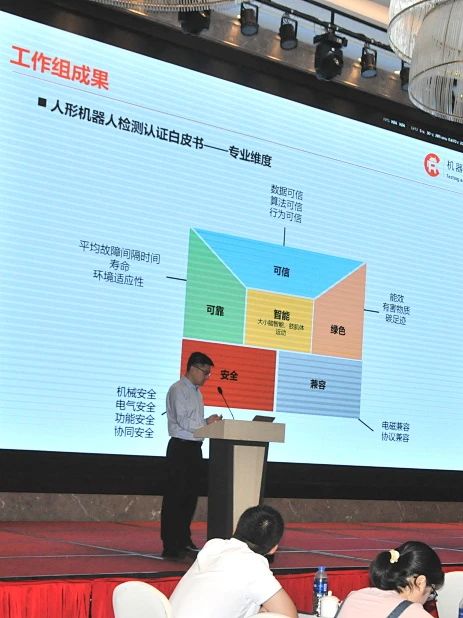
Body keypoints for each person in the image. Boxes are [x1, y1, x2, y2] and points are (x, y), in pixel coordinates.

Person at [169, 504, 298, 618]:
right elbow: (289, 616)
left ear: (237, 528)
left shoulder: (213, 546)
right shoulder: (253, 566)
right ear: (274, 548)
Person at [160, 351, 222, 559]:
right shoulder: (178, 389)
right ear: (193, 368)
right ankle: (171, 545)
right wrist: (206, 423)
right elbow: (183, 421)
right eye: (205, 372)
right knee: (175, 497)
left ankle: (184, 540)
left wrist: (209, 423)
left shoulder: (197, 393)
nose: (207, 377)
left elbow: (195, 424)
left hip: (194, 449)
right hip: (180, 448)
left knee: (189, 497)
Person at [335, 540, 444, 617]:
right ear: (420, 582)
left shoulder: (355, 597)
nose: (427, 600)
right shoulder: (415, 614)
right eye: (431, 593)